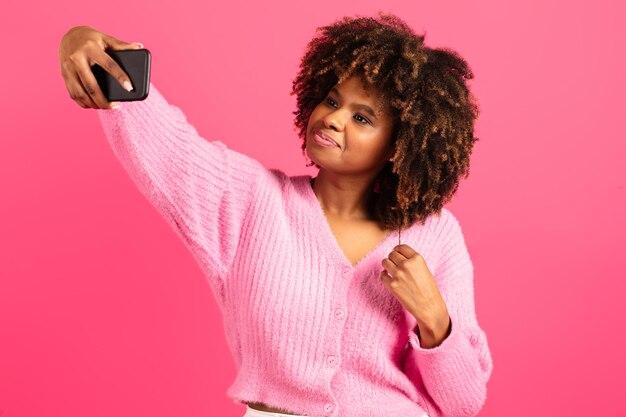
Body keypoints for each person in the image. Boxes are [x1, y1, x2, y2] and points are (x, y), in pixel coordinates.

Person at [58, 11, 493, 417]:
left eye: (362, 117)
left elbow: (463, 402)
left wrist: (435, 317)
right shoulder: (254, 201)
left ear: (401, 145)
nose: (334, 118)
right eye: (332, 100)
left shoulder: (435, 234)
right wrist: (84, 45)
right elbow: (170, 148)